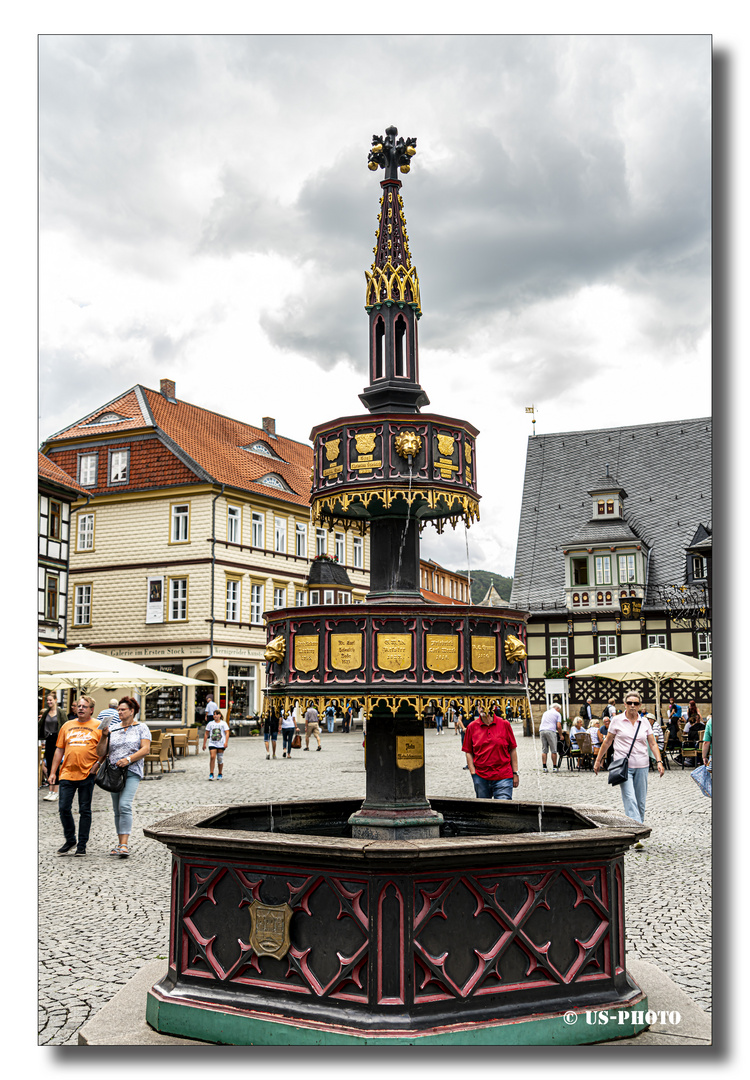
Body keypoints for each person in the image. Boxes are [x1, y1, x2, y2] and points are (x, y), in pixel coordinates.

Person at [594, 691, 664, 846]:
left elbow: (652, 743)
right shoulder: (617, 721)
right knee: (630, 798)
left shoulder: (644, 722)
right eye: (630, 703)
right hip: (623, 767)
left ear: (640, 705)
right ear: (624, 704)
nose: (633, 706)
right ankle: (637, 833)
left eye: (636, 703)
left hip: (642, 765)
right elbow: (607, 742)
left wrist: (659, 761)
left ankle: (636, 827)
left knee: (640, 801)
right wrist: (598, 760)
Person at [95, 696, 151, 857]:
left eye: (122, 709)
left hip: (132, 771)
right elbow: (101, 752)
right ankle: (120, 843)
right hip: (114, 773)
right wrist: (104, 736)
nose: (119, 712)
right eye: (118, 709)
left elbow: (145, 749)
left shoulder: (142, 727)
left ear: (132, 711)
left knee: (125, 805)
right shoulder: (113, 729)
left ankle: (125, 844)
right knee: (116, 808)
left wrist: (128, 759)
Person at [48, 696, 102, 856]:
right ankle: (70, 839)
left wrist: (97, 764)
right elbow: (59, 749)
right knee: (63, 808)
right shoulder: (67, 725)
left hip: (87, 773)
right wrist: (53, 772)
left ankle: (82, 845)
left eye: (84, 706)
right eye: (79, 706)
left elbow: (104, 749)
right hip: (66, 773)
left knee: (85, 810)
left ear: (91, 709)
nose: (80, 709)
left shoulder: (98, 726)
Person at [463, 705, 519, 800]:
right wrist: (473, 773)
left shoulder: (504, 724)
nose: (482, 708)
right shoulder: (472, 727)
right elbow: (468, 751)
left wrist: (515, 772)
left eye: (485, 705)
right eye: (479, 705)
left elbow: (512, 749)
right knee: (485, 809)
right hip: (481, 776)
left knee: (503, 807)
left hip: (503, 775)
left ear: (493, 707)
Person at [39, 692, 62, 801]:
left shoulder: (60, 712)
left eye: (50, 700)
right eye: (47, 700)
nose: (49, 702)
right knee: (48, 766)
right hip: (48, 740)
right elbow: (41, 726)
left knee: (56, 766)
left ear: (55, 700)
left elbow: (64, 726)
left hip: (57, 741)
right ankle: (50, 790)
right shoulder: (46, 713)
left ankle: (55, 791)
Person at [203, 709, 229, 779]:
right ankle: (211, 773)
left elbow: (227, 733)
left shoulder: (223, 724)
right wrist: (204, 743)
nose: (215, 716)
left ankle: (220, 773)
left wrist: (226, 742)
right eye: (214, 714)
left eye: (217, 714)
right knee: (212, 757)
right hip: (212, 743)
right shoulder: (210, 724)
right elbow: (206, 733)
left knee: (220, 758)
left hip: (221, 744)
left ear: (220, 715)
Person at [538, 703, 563, 772]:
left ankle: (544, 767)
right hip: (551, 731)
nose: (559, 711)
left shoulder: (545, 713)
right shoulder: (557, 714)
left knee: (544, 750)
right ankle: (554, 766)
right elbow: (559, 726)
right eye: (559, 709)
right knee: (553, 750)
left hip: (542, 730)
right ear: (557, 708)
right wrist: (561, 735)